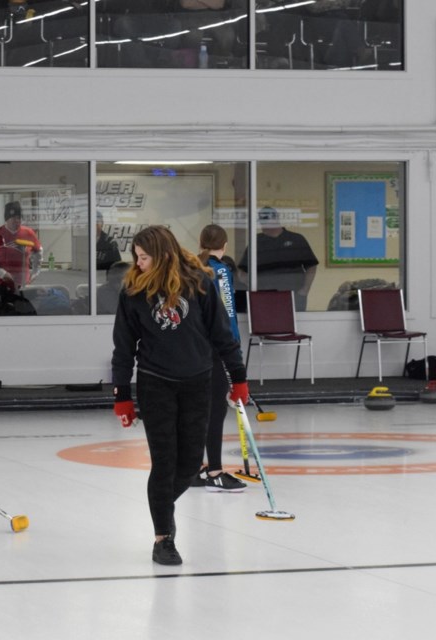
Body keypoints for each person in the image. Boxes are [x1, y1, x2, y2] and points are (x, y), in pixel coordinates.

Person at [111, 225, 249, 566]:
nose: (139, 263)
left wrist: (239, 378)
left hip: (198, 381)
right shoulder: (133, 290)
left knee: (189, 465)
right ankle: (164, 538)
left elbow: (221, 334)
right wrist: (122, 395)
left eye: (145, 258)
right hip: (155, 383)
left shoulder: (199, 282)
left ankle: (161, 505)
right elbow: (123, 346)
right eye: (137, 258)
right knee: (164, 462)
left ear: (162, 254)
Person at [190, 224, 247, 492]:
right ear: (223, 246)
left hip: (192, 349)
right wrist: (233, 350)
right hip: (215, 349)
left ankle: (195, 468)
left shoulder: (190, 267)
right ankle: (214, 469)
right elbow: (227, 314)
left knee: (198, 410)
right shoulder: (220, 270)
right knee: (215, 411)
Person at [239, 206, 319, 311]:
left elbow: (311, 266)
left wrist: (304, 290)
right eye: (262, 220)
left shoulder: (296, 239)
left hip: (294, 295)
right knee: (266, 325)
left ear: (276, 219)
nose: (264, 223)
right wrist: (253, 288)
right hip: (265, 297)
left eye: (267, 219)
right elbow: (242, 271)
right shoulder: (256, 242)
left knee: (294, 325)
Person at [0, 201, 43, 288]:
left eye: (19, 218)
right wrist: (2, 273)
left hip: (23, 285)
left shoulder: (28, 233)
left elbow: (39, 251)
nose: (16, 221)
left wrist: (36, 270)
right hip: (0, 285)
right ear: (6, 219)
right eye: (13, 218)